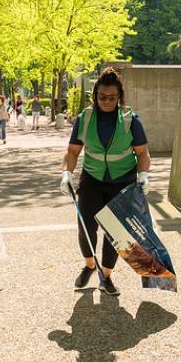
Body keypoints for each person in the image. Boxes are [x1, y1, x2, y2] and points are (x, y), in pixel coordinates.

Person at [60, 67, 151, 296]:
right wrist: (67, 173)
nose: (107, 101)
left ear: (119, 97)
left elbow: (142, 152)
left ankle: (106, 276)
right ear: (95, 96)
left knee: (116, 233)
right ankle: (90, 265)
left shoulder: (131, 119)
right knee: (86, 227)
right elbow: (72, 150)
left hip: (122, 181)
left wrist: (143, 175)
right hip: (92, 178)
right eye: (102, 97)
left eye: (112, 98)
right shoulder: (85, 118)